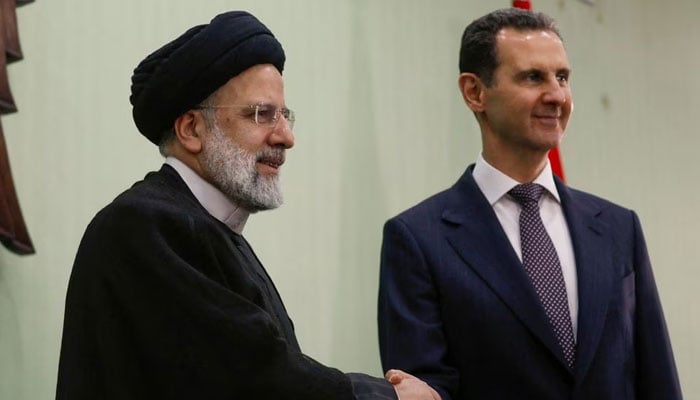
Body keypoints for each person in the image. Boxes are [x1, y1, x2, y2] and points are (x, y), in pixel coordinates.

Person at [56, 11, 440, 400]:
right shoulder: (144, 226)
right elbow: (251, 377)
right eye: (262, 114)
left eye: (285, 116)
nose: (286, 137)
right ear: (191, 129)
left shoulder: (209, 230)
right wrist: (387, 397)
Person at [377, 8, 681, 400]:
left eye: (563, 77)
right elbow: (423, 393)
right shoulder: (418, 240)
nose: (556, 95)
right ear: (475, 92)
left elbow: (657, 379)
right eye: (533, 77)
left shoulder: (619, 228)